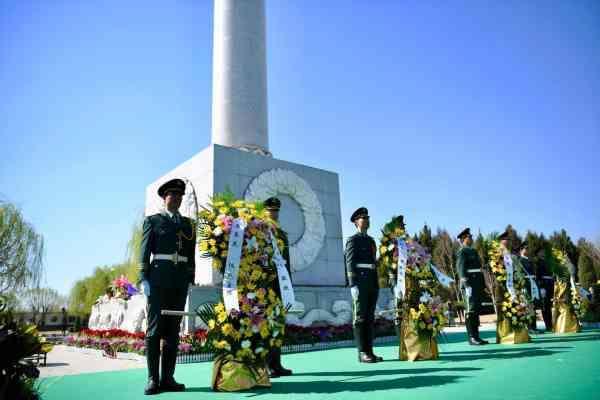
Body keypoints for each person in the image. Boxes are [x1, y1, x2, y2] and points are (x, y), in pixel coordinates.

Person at [139, 178, 196, 395]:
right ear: (165, 198)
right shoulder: (153, 221)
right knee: (154, 331)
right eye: (173, 195)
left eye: (180, 195)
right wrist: (143, 277)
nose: (177, 198)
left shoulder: (188, 224)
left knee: (173, 331)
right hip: (158, 281)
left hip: (179, 282)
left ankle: (168, 378)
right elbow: (144, 250)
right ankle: (153, 379)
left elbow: (190, 255)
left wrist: (190, 279)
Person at [345, 207, 382, 362]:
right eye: (362, 218)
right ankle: (362, 353)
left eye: (367, 218)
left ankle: (370, 351)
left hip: (372, 281)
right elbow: (350, 262)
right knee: (360, 318)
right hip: (359, 282)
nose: (366, 220)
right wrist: (352, 284)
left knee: (369, 317)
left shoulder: (371, 240)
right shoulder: (353, 240)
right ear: (356, 222)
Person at [263, 197, 293, 378]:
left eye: (276, 211)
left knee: (278, 324)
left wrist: (288, 284)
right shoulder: (260, 231)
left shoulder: (282, 233)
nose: (273, 214)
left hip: (281, 284)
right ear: (264, 212)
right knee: (266, 324)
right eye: (270, 211)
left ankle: (276, 363)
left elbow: (287, 261)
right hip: (265, 284)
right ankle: (266, 365)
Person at [456, 228, 488, 345]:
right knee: (471, 309)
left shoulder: (473, 251)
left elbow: (478, 269)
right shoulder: (462, 252)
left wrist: (482, 284)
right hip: (469, 283)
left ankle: (477, 336)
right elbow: (461, 269)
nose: (472, 238)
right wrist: (466, 284)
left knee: (476, 310)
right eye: (469, 237)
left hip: (477, 283)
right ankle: (471, 337)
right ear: (464, 239)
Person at [518, 241, 540, 332]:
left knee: (533, 306)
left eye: (528, 248)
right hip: (526, 284)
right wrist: (522, 286)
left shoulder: (529, 260)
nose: (527, 250)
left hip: (532, 284)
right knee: (527, 306)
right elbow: (519, 274)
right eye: (525, 248)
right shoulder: (520, 261)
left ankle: (533, 326)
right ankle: (529, 326)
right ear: (521, 250)